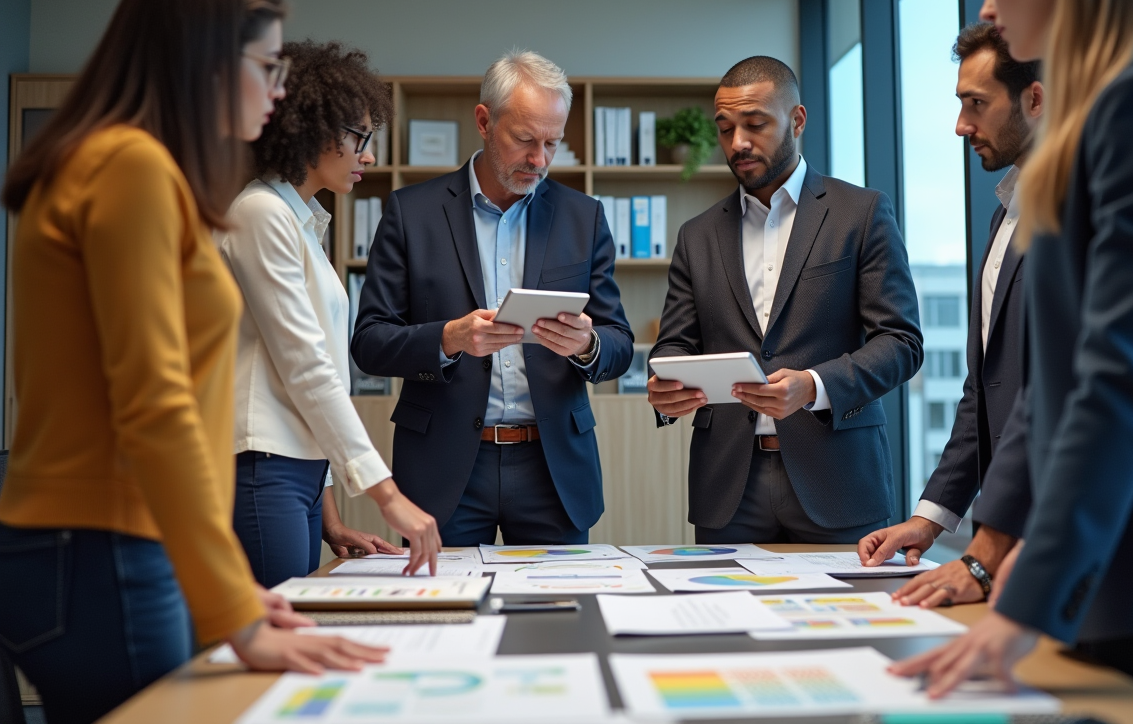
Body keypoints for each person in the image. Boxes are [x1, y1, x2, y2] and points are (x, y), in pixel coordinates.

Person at [0, 0, 388, 724]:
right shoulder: (128, 169)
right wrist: (235, 611)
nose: (279, 93)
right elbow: (154, 404)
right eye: (267, 65)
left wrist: (229, 589)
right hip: (104, 541)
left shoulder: (135, 170)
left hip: (115, 536)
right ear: (207, 61)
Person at [891, 0, 1133, 709]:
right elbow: (1048, 389)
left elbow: (1122, 380)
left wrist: (1027, 587)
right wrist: (1007, 554)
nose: (989, 5)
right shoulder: (1095, 121)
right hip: (1091, 572)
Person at [351, 50, 633, 546]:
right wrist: (449, 338)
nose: (539, 160)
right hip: (444, 470)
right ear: (484, 121)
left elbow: (619, 344)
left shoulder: (582, 216)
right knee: (448, 618)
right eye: (525, 139)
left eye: (552, 143)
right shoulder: (411, 212)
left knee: (558, 619)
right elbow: (370, 341)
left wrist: (587, 344)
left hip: (554, 469)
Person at [648, 56, 923, 543]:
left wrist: (814, 385)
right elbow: (674, 344)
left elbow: (901, 342)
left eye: (755, 124)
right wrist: (665, 385)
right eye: (726, 128)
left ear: (797, 120)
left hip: (837, 479)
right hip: (727, 486)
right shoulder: (697, 235)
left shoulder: (860, 213)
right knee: (726, 619)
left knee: (843, 620)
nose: (738, 143)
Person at [220, 40, 440, 588]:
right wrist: (387, 496)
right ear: (313, 131)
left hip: (293, 471)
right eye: (359, 137)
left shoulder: (300, 223)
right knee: (280, 645)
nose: (367, 154)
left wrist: (330, 517)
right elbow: (305, 366)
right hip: (262, 470)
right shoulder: (260, 215)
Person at [857, 24, 1043, 607]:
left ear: (1035, 100)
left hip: (1066, 534)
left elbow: (1064, 392)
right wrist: (931, 519)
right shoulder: (1004, 217)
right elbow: (983, 391)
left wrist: (984, 557)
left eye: (976, 104)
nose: (962, 125)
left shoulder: (1081, 215)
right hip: (1013, 537)